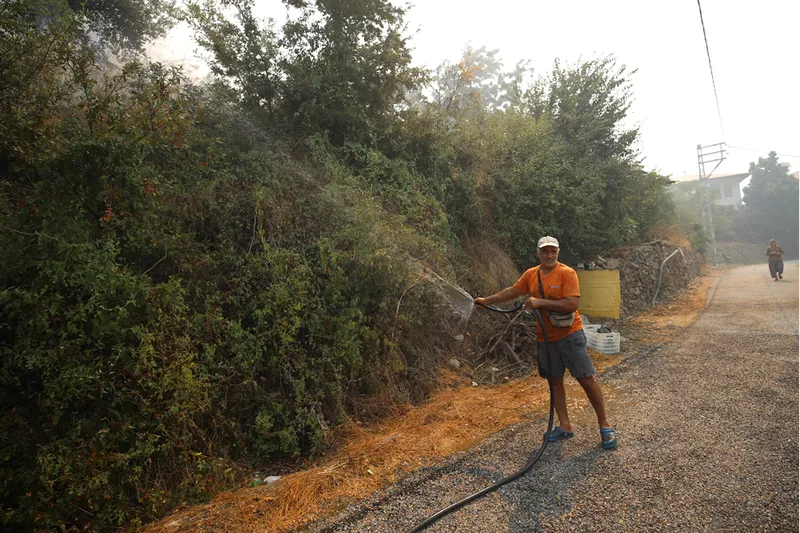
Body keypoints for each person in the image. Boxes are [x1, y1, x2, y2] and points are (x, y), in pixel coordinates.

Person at [474, 236, 617, 450]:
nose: (549, 255)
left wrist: (539, 302)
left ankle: (605, 426)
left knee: (586, 379)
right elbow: (513, 291)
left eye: (552, 251)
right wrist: (487, 301)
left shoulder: (567, 273)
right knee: (555, 381)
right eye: (545, 251)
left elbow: (571, 304)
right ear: (538, 253)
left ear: (558, 252)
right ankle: (565, 426)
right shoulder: (531, 275)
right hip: (546, 339)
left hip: (570, 335)